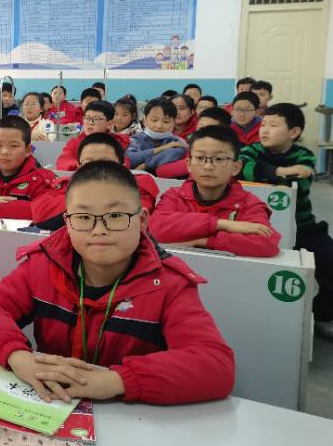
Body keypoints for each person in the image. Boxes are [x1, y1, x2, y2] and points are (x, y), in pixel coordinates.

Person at [0, 160, 235, 405]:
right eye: (83, 218)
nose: (99, 230)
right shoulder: (44, 266)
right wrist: (18, 356)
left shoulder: (169, 284)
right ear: (67, 222)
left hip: (128, 417)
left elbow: (215, 364)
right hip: (51, 405)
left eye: (115, 216)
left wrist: (117, 381)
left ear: (142, 221)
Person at [240, 103, 333, 339]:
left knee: (330, 261)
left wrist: (266, 173)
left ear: (294, 131)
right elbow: (244, 169)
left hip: (302, 226)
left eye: (273, 125)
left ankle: (322, 316)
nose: (264, 130)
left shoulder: (304, 155)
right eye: (263, 124)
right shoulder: (250, 150)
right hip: (257, 226)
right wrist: (282, 172)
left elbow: (300, 182)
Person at [149, 125, 279, 257]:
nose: (208, 166)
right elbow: (155, 229)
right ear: (189, 164)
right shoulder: (174, 196)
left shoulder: (249, 204)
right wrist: (220, 224)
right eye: (200, 158)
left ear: (236, 167)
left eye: (219, 159)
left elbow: (267, 243)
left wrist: (204, 242)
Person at [31, 132, 159, 229]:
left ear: (123, 168)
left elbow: (129, 219)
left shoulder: (139, 186)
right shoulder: (66, 184)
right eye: (89, 163)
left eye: (105, 163)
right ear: (79, 168)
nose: (96, 169)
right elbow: (41, 214)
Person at [56, 101, 129, 171]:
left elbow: (124, 162)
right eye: (87, 118)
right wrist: (83, 165)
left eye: (96, 119)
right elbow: (63, 162)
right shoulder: (75, 142)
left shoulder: (117, 141)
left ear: (109, 124)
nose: (90, 123)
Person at [127, 98, 186, 173]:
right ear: (145, 120)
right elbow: (130, 159)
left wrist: (146, 165)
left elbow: (175, 153)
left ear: (174, 123)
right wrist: (163, 148)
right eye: (154, 120)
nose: (159, 126)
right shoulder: (136, 139)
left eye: (166, 121)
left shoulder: (176, 141)